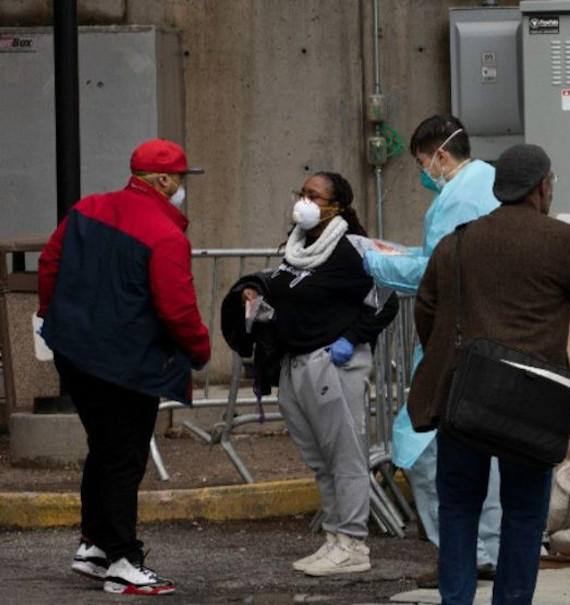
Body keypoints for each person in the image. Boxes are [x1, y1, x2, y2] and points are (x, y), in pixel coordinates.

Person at [409, 144, 570, 605]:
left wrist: (459, 359)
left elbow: (427, 312)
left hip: (462, 398)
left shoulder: (457, 242)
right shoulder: (559, 241)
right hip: (530, 404)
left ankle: (456, 599)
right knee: (523, 515)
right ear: (542, 187)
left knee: (459, 510)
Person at [37, 138, 211, 596]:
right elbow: (177, 309)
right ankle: (122, 561)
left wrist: (53, 317)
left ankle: (94, 545)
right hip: (125, 364)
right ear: (163, 180)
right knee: (123, 458)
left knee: (104, 449)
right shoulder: (166, 235)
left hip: (74, 353)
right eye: (180, 179)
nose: (182, 187)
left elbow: (50, 262)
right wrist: (200, 349)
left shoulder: (88, 207)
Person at [224, 171, 398, 576]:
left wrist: (352, 339)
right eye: (301, 193)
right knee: (321, 461)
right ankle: (335, 537)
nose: (304, 201)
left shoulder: (355, 250)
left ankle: (354, 544)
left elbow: (386, 298)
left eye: (314, 196)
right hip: (295, 363)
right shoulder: (298, 248)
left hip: (332, 363)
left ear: (336, 205)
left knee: (346, 457)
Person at [362, 115, 502, 582]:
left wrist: (374, 260)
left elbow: (435, 271)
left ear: (440, 156)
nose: (425, 173)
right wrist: (401, 255)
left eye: (424, 163)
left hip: (456, 343)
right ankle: (487, 551)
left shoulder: (455, 198)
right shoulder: (488, 183)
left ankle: (464, 553)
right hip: (489, 341)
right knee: (488, 453)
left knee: (424, 449)